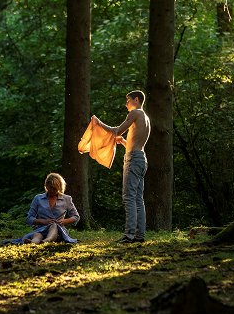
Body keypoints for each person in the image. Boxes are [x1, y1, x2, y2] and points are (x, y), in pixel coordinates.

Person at [92, 90, 151, 244]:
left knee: (129, 197)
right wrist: (124, 142)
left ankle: (129, 235)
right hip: (141, 159)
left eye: (128, 100)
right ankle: (139, 236)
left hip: (134, 160)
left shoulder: (134, 113)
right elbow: (135, 143)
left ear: (136, 100)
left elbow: (116, 130)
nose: (126, 104)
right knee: (138, 198)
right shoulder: (146, 118)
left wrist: (98, 123)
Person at [22, 173, 80, 244]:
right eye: (50, 188)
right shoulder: (38, 198)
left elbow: (76, 217)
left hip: (58, 230)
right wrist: (43, 221)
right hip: (41, 229)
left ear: (59, 188)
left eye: (55, 189)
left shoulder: (66, 199)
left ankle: (46, 241)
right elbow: (29, 218)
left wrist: (65, 221)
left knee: (54, 225)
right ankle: (33, 243)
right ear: (46, 186)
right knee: (37, 235)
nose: (52, 190)